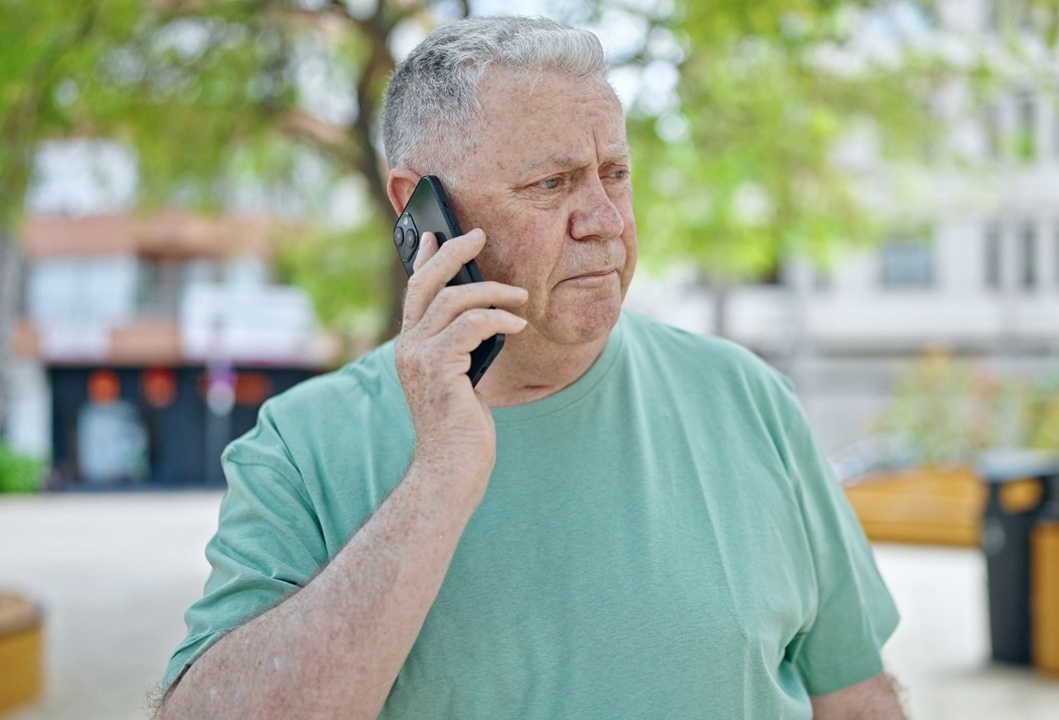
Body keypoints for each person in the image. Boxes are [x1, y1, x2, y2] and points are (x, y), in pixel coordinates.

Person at [157, 16, 902, 720]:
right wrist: (440, 476)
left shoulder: (749, 400)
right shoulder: (302, 444)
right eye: (551, 184)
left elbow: (856, 696)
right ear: (418, 205)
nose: (605, 220)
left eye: (615, 174)